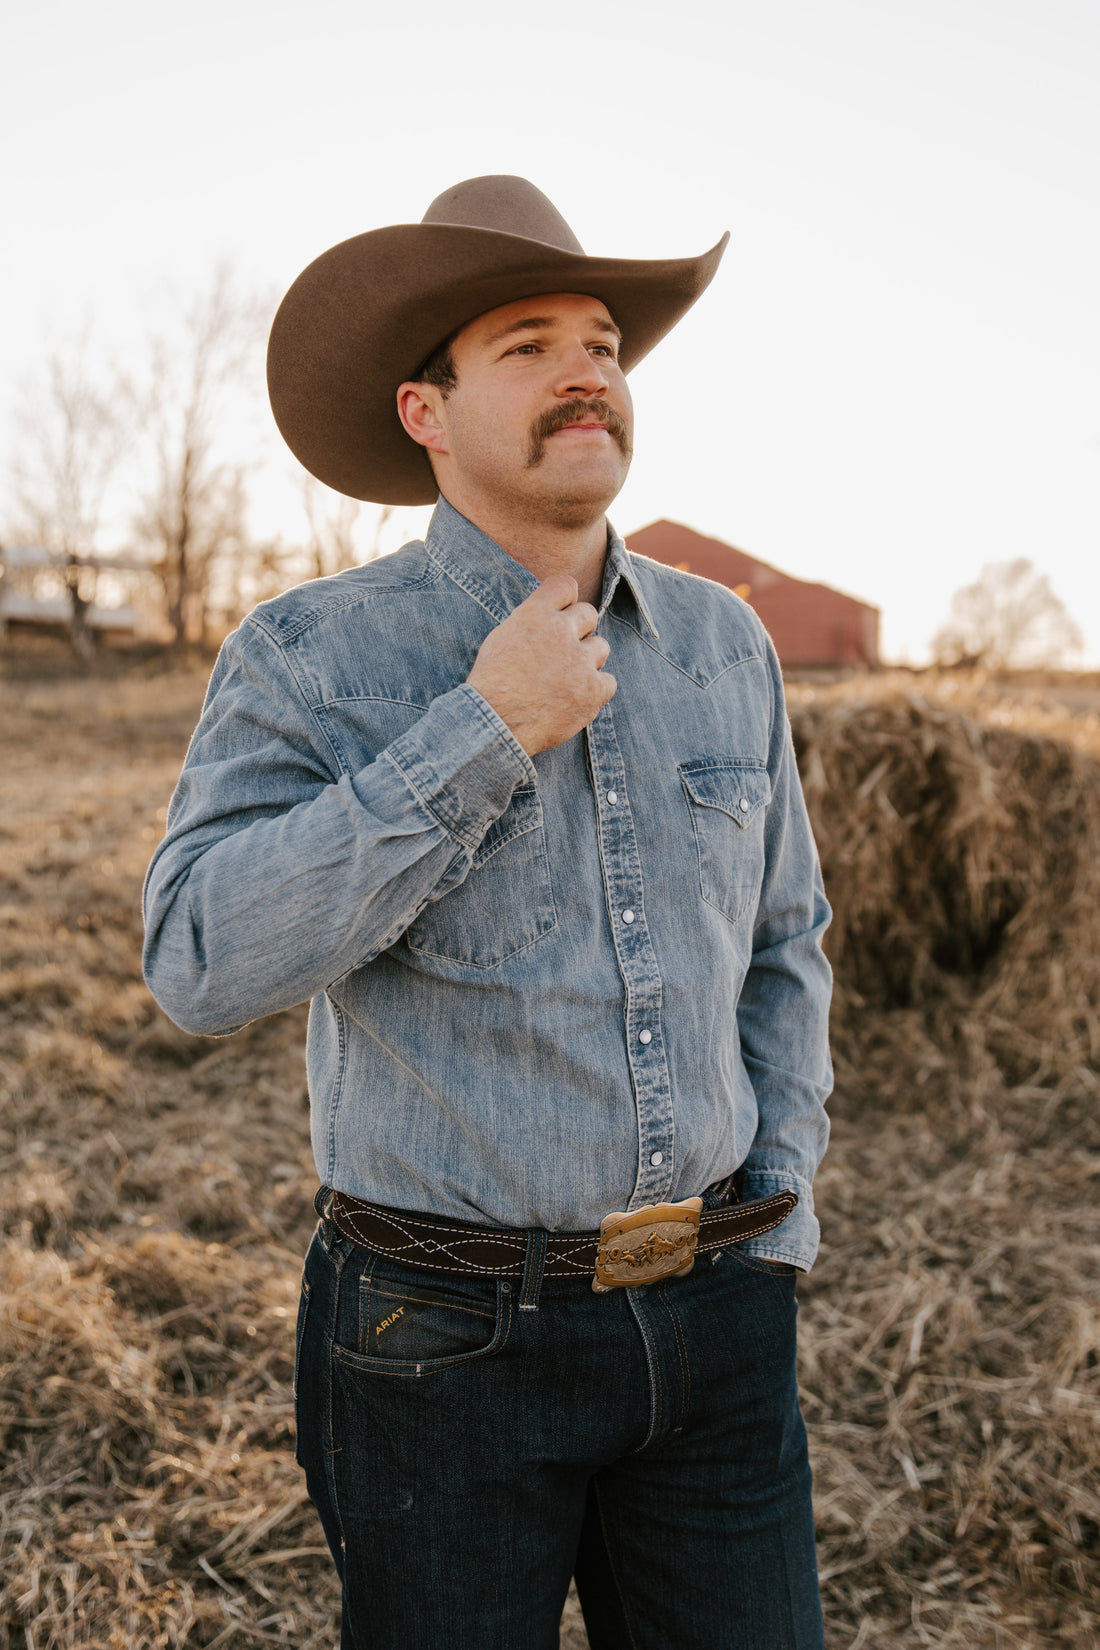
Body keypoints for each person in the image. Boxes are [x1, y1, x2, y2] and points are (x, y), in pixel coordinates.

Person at [143, 175, 833, 1650]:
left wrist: (777, 1224)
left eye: (603, 340)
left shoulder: (725, 643)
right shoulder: (308, 656)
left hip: (719, 1322)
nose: (589, 365)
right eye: (527, 342)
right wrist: (481, 729)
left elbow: (785, 944)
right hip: (437, 1346)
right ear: (425, 411)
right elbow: (196, 958)